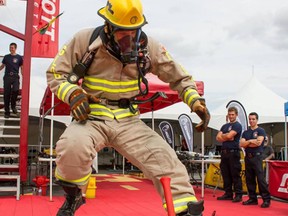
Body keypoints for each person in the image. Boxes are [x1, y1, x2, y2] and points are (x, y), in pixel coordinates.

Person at [46, 0, 210, 215]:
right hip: (92, 117)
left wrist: (194, 100)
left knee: (166, 161)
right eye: (123, 32)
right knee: (71, 148)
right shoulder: (85, 40)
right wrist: (74, 94)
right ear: (109, 26)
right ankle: (74, 196)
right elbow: (56, 74)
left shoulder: (149, 46)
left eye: (134, 31)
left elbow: (179, 77)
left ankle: (184, 210)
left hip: (129, 120)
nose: (130, 39)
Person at [240, 112, 271, 208]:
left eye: (253, 119)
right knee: (249, 179)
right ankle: (252, 198)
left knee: (260, 179)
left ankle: (266, 199)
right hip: (248, 157)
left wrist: (247, 142)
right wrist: (250, 141)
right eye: (250, 119)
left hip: (257, 157)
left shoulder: (261, 130)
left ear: (257, 120)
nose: (251, 121)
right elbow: (241, 144)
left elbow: (258, 143)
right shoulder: (245, 132)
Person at [216, 106, 243, 202]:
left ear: (236, 115)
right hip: (224, 153)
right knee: (225, 174)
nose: (231, 116)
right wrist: (226, 136)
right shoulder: (224, 126)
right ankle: (228, 193)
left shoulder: (237, 125)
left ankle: (238, 194)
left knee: (235, 174)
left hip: (233, 152)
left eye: (233, 114)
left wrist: (225, 136)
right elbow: (218, 138)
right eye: (229, 114)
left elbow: (230, 136)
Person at [0, 42, 23, 118]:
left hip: (15, 76)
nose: (11, 49)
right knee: (6, 94)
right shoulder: (6, 57)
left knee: (16, 90)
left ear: (15, 48)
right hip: (7, 77)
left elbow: (22, 68)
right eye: (10, 47)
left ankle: (13, 107)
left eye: (12, 48)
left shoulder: (19, 57)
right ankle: (7, 112)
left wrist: (24, 75)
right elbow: (2, 66)